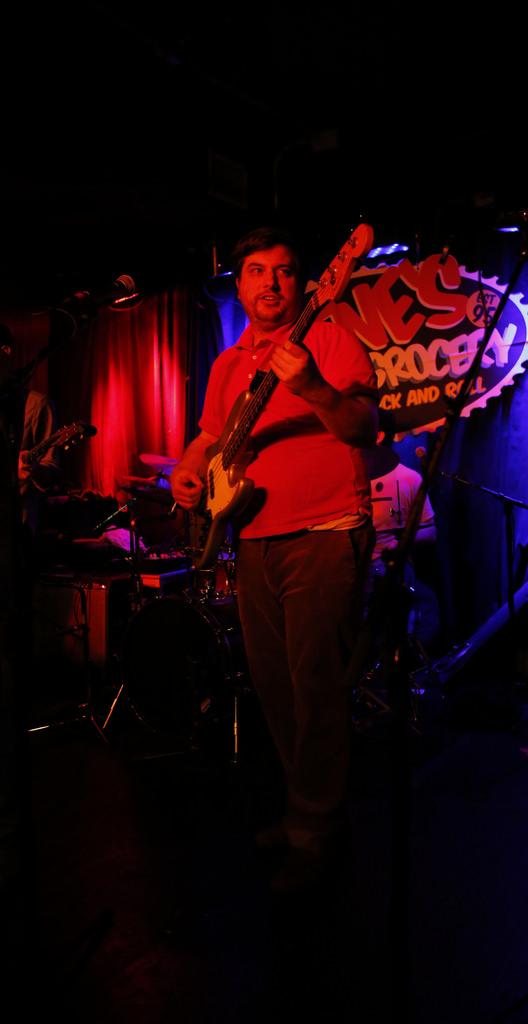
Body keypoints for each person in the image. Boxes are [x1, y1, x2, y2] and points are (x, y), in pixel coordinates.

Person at [170, 227, 378, 891]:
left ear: (308, 281)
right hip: (252, 537)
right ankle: (305, 815)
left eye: (284, 272)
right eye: (256, 272)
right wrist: (186, 468)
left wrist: (314, 386)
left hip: (324, 528)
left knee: (315, 686)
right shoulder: (230, 363)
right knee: (276, 691)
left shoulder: (330, 338)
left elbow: (364, 428)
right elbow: (209, 435)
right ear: (239, 284)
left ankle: (316, 832)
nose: (270, 284)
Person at [363, 410, 439, 647]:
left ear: (379, 435)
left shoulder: (409, 479)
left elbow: (429, 532)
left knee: (426, 607)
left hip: (391, 573)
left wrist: (399, 544)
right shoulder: (343, 478)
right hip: (352, 575)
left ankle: (401, 667)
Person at [0, 324, 60, 539]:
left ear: (5, 352)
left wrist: (33, 469)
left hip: (18, 526)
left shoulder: (37, 404)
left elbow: (50, 473)